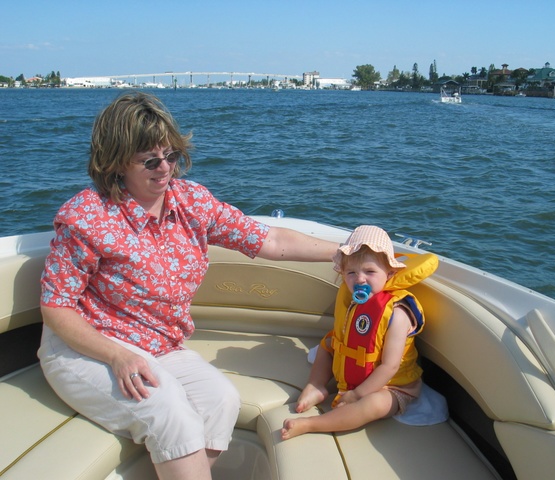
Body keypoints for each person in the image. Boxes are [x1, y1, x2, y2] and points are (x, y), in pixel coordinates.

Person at [38, 91, 339, 480]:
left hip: (158, 344)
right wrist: (116, 356)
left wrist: (347, 252)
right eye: (149, 160)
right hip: (86, 348)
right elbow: (56, 306)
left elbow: (272, 241)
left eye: (171, 155)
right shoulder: (87, 217)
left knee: (222, 400)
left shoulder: (191, 202)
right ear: (116, 163)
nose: (164, 168)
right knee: (167, 410)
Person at [281, 225, 438, 440]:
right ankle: (316, 385)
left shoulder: (398, 313)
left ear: (390, 273)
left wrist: (357, 394)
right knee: (327, 345)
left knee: (375, 404)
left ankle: (311, 424)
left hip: (393, 386)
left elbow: (390, 366)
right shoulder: (357, 301)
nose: (360, 279)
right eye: (351, 272)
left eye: (370, 271)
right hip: (353, 372)